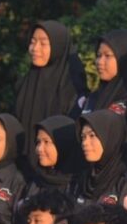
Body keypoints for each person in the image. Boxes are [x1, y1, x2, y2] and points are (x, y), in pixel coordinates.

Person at [13, 21, 88, 152]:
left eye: (43, 43)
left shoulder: (72, 88)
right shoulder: (25, 84)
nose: (35, 48)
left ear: (58, 46)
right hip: (22, 161)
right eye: (32, 42)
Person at [81, 29, 127, 154]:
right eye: (98, 55)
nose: (99, 62)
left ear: (125, 59)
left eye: (107, 56)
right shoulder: (94, 98)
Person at [74, 111, 127, 212]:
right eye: (83, 137)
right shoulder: (85, 177)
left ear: (111, 137)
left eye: (92, 136)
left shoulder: (126, 183)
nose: (85, 143)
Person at [25, 115, 84, 198]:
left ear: (64, 144)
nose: (39, 149)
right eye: (38, 142)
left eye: (46, 142)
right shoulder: (35, 180)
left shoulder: (79, 187)